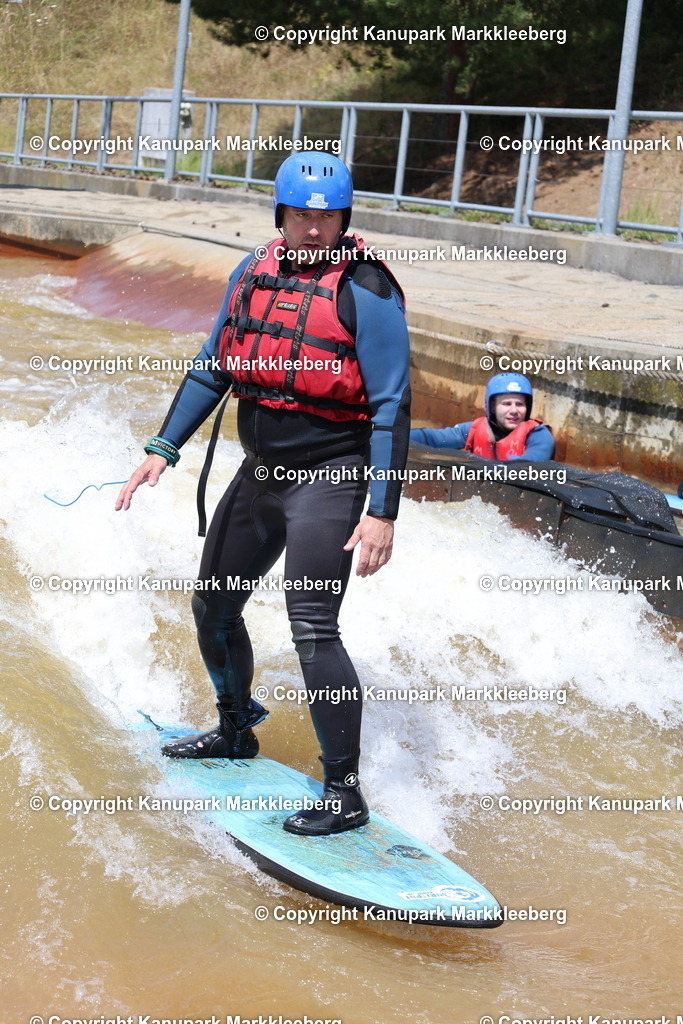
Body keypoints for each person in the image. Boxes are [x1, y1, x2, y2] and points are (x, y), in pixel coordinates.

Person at [115, 153, 411, 837]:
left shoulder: (366, 288)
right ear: (280, 215)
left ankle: (344, 790)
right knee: (212, 607)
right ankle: (234, 729)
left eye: (327, 216)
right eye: (302, 215)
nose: (314, 228)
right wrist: (161, 449)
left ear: (344, 219)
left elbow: (392, 405)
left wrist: (381, 511)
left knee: (313, 627)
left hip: (331, 476)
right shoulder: (252, 272)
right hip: (261, 473)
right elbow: (213, 363)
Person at [410, 372, 554, 461]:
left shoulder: (538, 434)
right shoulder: (473, 429)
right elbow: (431, 438)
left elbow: (534, 460)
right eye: (506, 404)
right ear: (492, 406)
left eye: (520, 404)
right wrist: (395, 436)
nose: (514, 410)